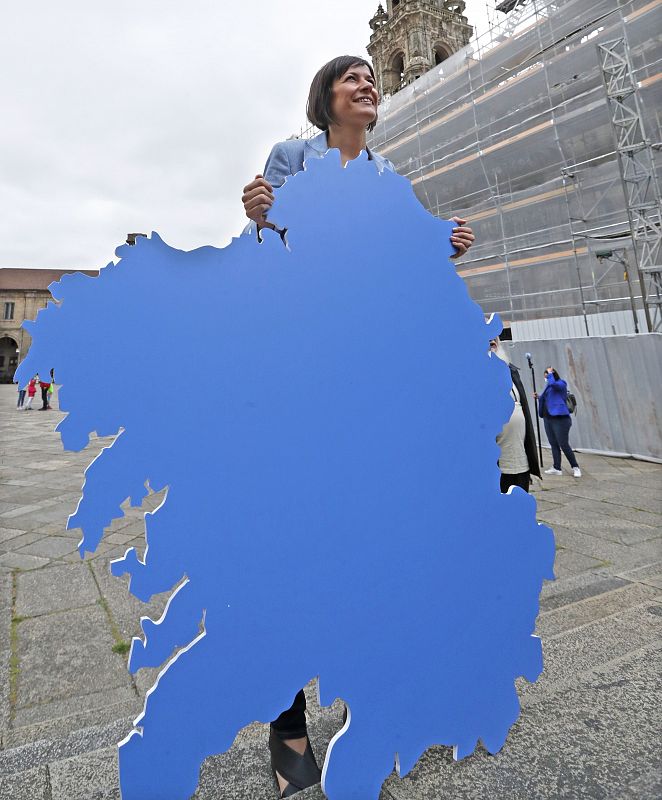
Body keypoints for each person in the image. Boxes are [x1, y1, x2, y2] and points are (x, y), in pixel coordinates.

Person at [241, 55, 476, 798]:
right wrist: (258, 218)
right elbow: (271, 261)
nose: (369, 84)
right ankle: (288, 726)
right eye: (354, 77)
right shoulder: (293, 158)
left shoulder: (388, 177)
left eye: (374, 78)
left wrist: (438, 251)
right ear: (326, 98)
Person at [490, 338, 541, 492]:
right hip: (495, 465)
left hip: (519, 460)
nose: (491, 340)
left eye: (495, 337)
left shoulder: (510, 372)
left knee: (519, 507)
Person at [537, 367, 581, 478]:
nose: (545, 377)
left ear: (553, 374)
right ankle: (557, 468)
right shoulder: (549, 386)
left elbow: (554, 386)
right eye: (545, 375)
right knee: (553, 444)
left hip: (560, 419)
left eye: (547, 374)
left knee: (563, 444)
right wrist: (539, 397)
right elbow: (549, 399)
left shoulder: (561, 383)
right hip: (548, 418)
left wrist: (550, 374)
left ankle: (575, 467)